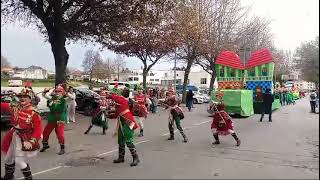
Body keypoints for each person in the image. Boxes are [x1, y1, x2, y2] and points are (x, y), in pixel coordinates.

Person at [1, 88, 43, 180]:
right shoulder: (16, 107)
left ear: (30, 98)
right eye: (21, 96)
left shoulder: (34, 113)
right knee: (8, 158)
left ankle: (29, 178)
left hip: (25, 138)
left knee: (19, 161)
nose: (22, 98)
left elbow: (38, 129)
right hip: (15, 135)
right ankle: (9, 175)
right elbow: (3, 106)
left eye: (25, 97)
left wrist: (32, 141)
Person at [107, 88, 140, 166]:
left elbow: (115, 97)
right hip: (122, 122)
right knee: (121, 140)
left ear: (124, 93)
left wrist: (110, 95)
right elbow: (117, 114)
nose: (120, 91)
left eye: (122, 90)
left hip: (128, 122)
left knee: (128, 140)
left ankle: (136, 158)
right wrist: (108, 115)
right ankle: (121, 157)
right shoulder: (121, 101)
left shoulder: (123, 100)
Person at [40, 85, 72, 155]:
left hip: (60, 118)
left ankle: (62, 148)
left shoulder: (64, 99)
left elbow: (72, 98)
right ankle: (45, 145)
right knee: (45, 132)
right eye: (56, 91)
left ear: (62, 92)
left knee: (60, 133)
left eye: (59, 91)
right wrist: (45, 91)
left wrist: (66, 93)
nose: (57, 92)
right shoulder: (52, 98)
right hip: (52, 118)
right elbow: (44, 95)